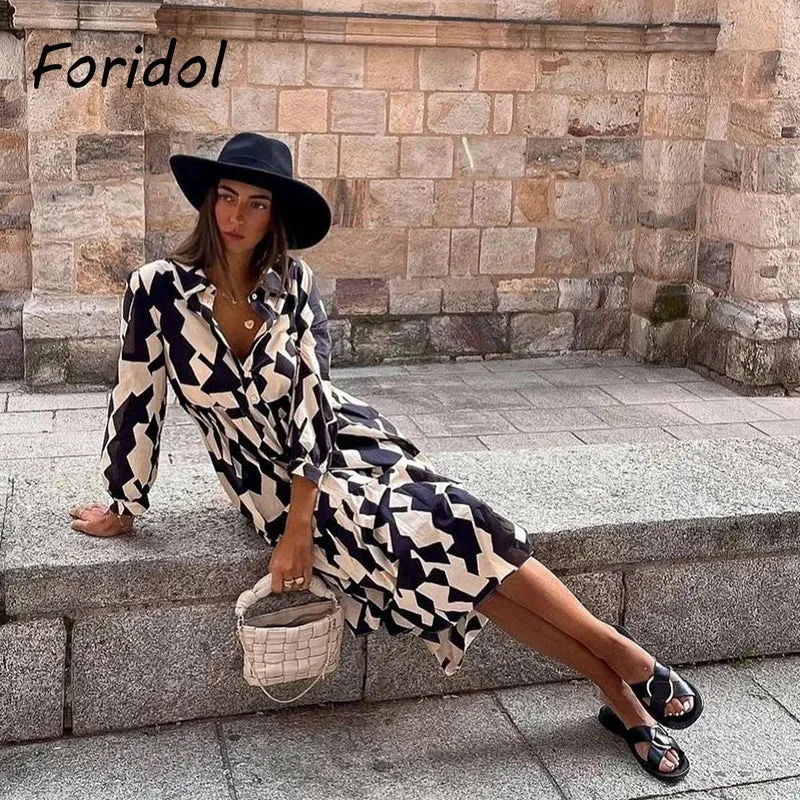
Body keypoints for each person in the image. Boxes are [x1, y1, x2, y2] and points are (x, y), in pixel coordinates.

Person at [67, 132, 702, 783]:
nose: (237, 215)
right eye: (227, 197)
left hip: (340, 445)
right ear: (209, 202)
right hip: (262, 478)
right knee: (460, 545)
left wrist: (300, 525)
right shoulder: (158, 289)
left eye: (257, 203)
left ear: (275, 216)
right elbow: (136, 396)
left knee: (463, 529)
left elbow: (312, 401)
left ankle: (623, 680)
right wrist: (124, 501)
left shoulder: (294, 284)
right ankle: (628, 676)